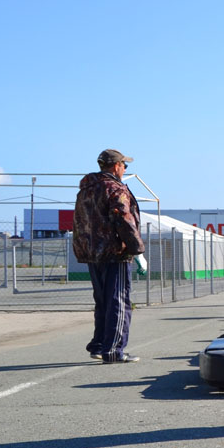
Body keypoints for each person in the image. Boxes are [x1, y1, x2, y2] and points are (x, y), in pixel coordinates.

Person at [73, 148, 146, 363]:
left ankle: (99, 344)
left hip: (92, 252)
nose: (124, 169)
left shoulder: (86, 189)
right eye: (124, 165)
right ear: (116, 166)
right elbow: (123, 219)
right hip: (114, 252)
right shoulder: (115, 188)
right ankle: (113, 349)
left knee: (103, 301)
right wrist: (137, 250)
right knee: (118, 301)